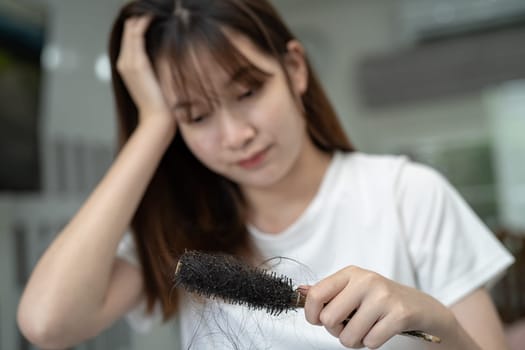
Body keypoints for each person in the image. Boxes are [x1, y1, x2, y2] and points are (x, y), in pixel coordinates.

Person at [17, 0, 514, 349]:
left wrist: (437, 322)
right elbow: (46, 323)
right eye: (196, 115)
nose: (235, 135)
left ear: (295, 69)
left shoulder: (409, 196)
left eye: (247, 91)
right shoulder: (178, 234)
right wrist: (151, 125)